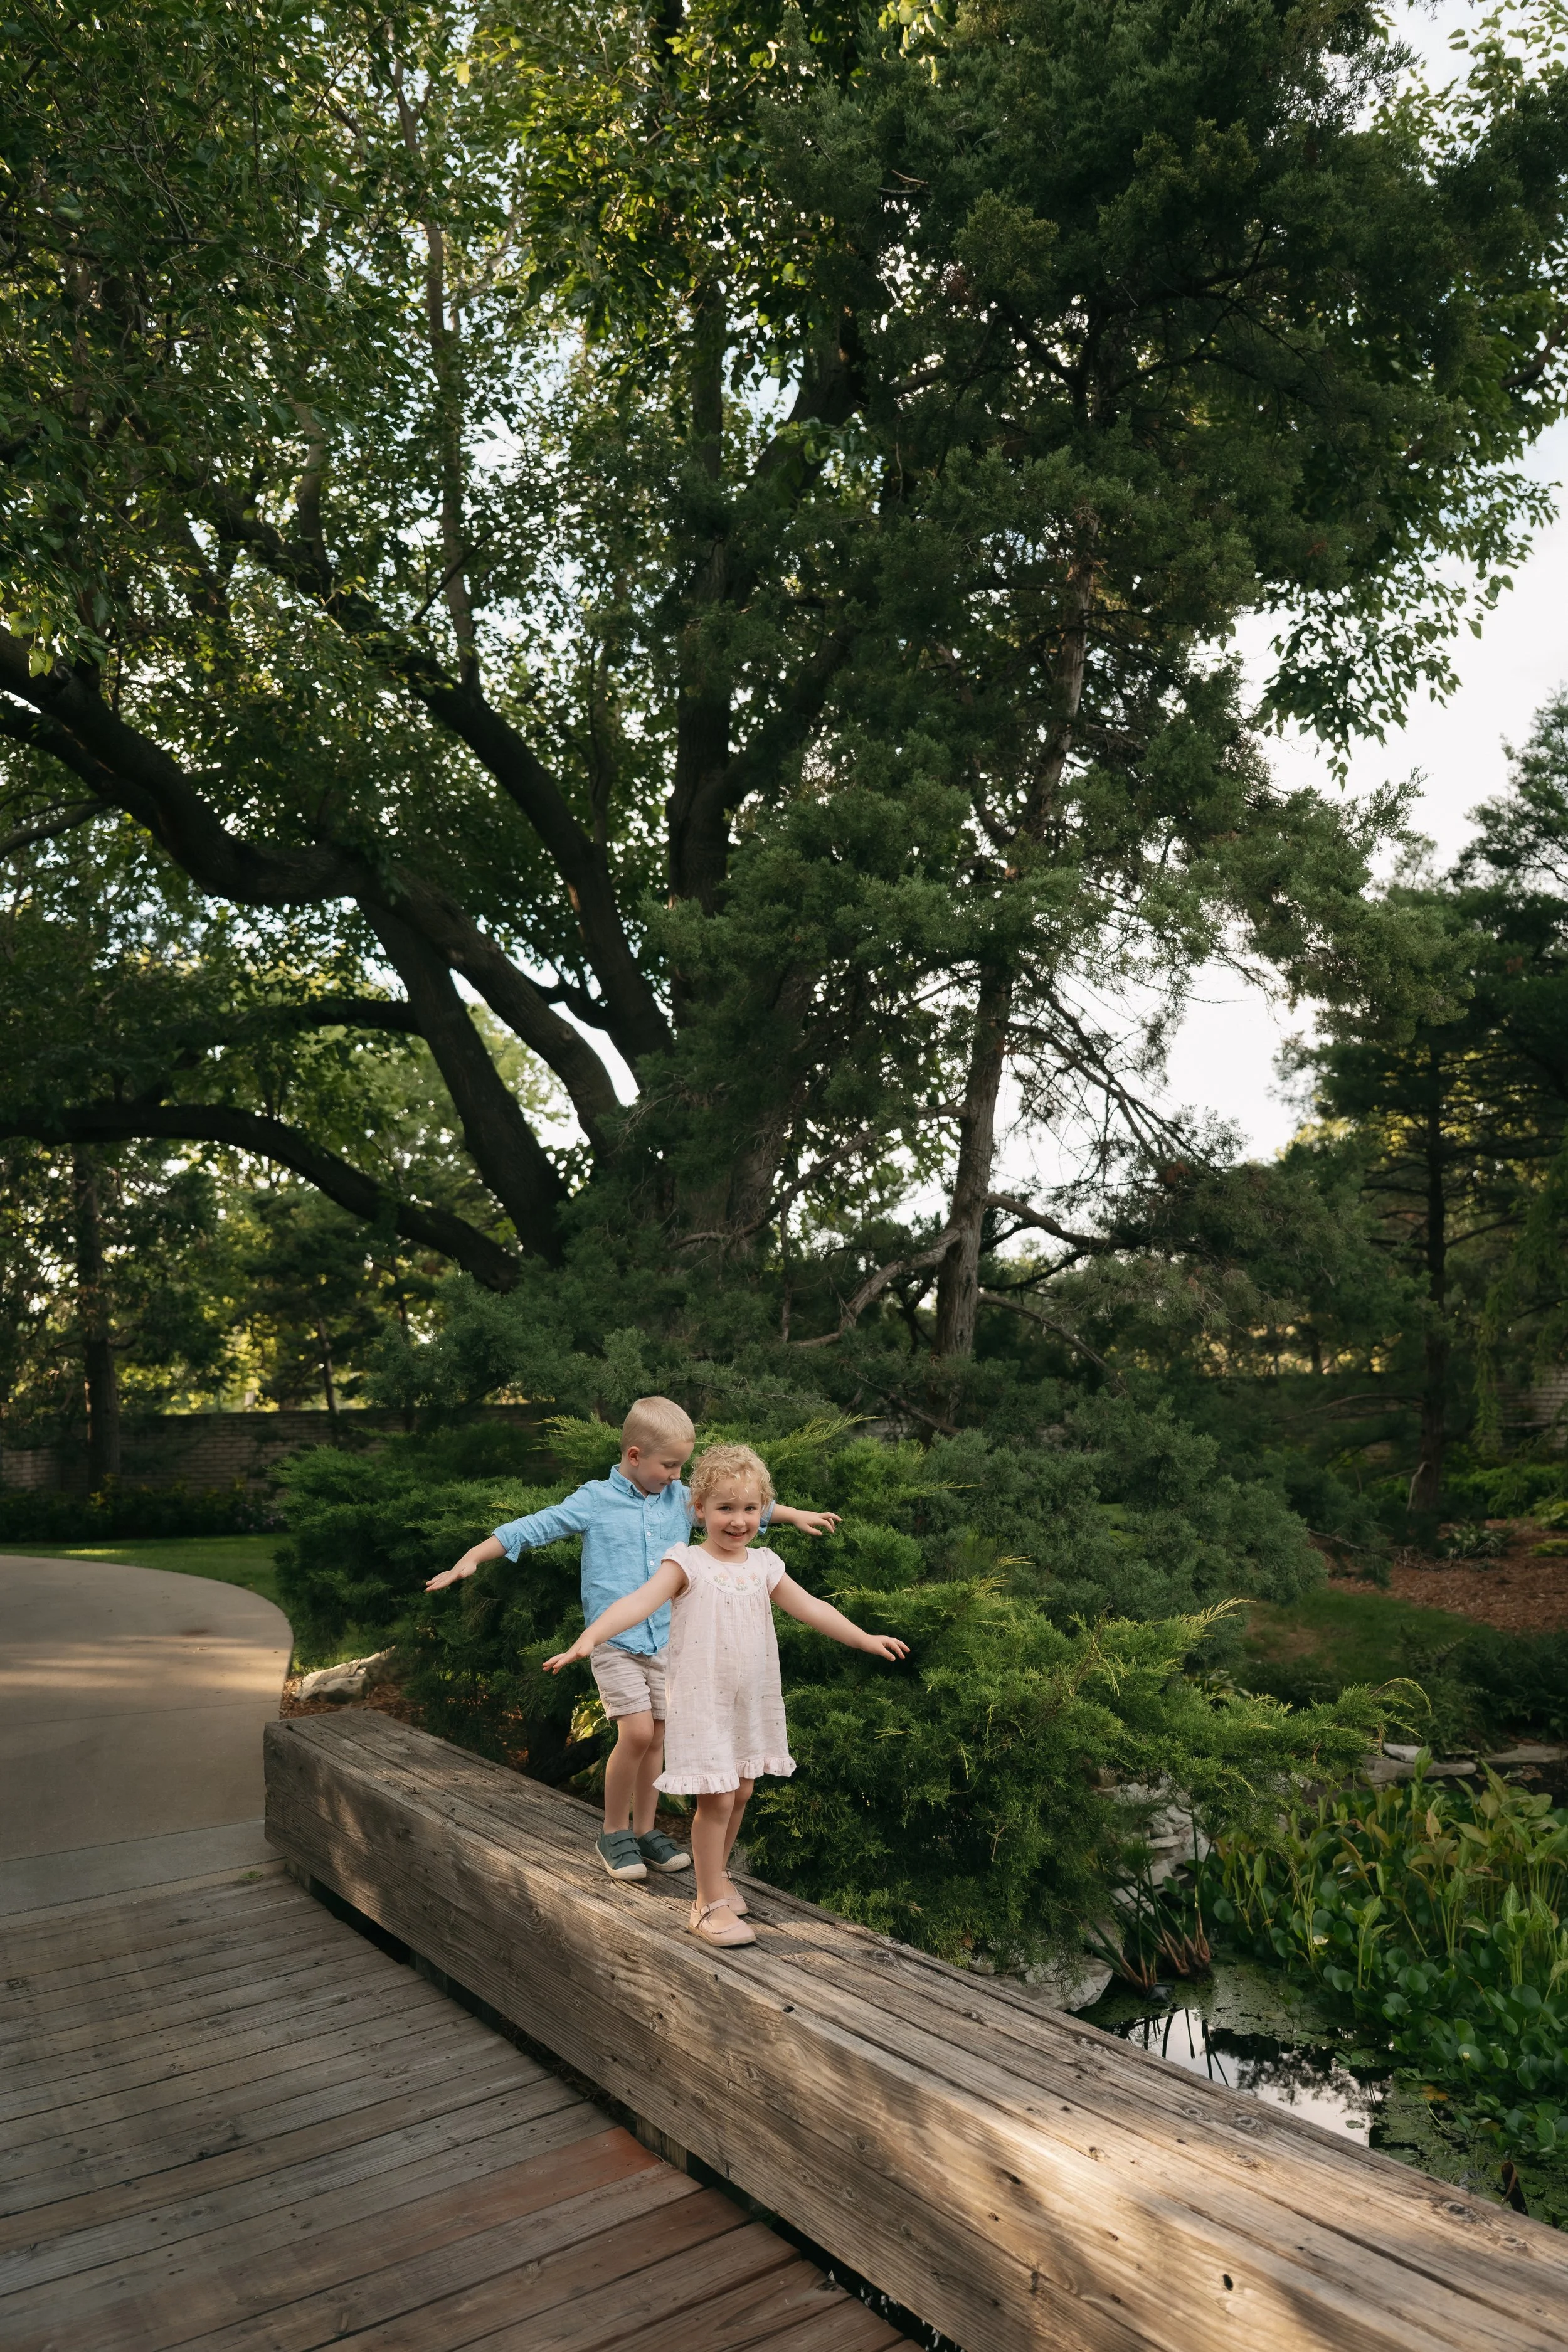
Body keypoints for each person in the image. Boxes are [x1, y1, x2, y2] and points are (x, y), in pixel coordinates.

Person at [426, 1399, 842, 1883]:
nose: (676, 1475)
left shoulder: (677, 1499)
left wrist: (793, 1515)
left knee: (661, 1736)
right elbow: (535, 1526)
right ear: (636, 1455)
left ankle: (646, 1830)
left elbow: (736, 1504)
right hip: (614, 1641)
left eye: (682, 1466)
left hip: (670, 1642)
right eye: (670, 1465)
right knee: (638, 1733)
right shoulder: (595, 1500)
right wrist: (473, 1556)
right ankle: (613, 1831)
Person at [544, 1440, 908, 1947]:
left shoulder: (764, 1564)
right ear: (699, 1510)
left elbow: (813, 1608)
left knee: (741, 1792)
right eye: (725, 1508)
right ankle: (704, 1903)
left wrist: (865, 1638)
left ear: (763, 1512)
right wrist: (589, 1639)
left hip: (750, 1701)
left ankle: (718, 1880)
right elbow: (636, 1603)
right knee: (714, 1801)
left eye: (750, 1509)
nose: (738, 1520)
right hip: (703, 1703)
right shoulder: (686, 1564)